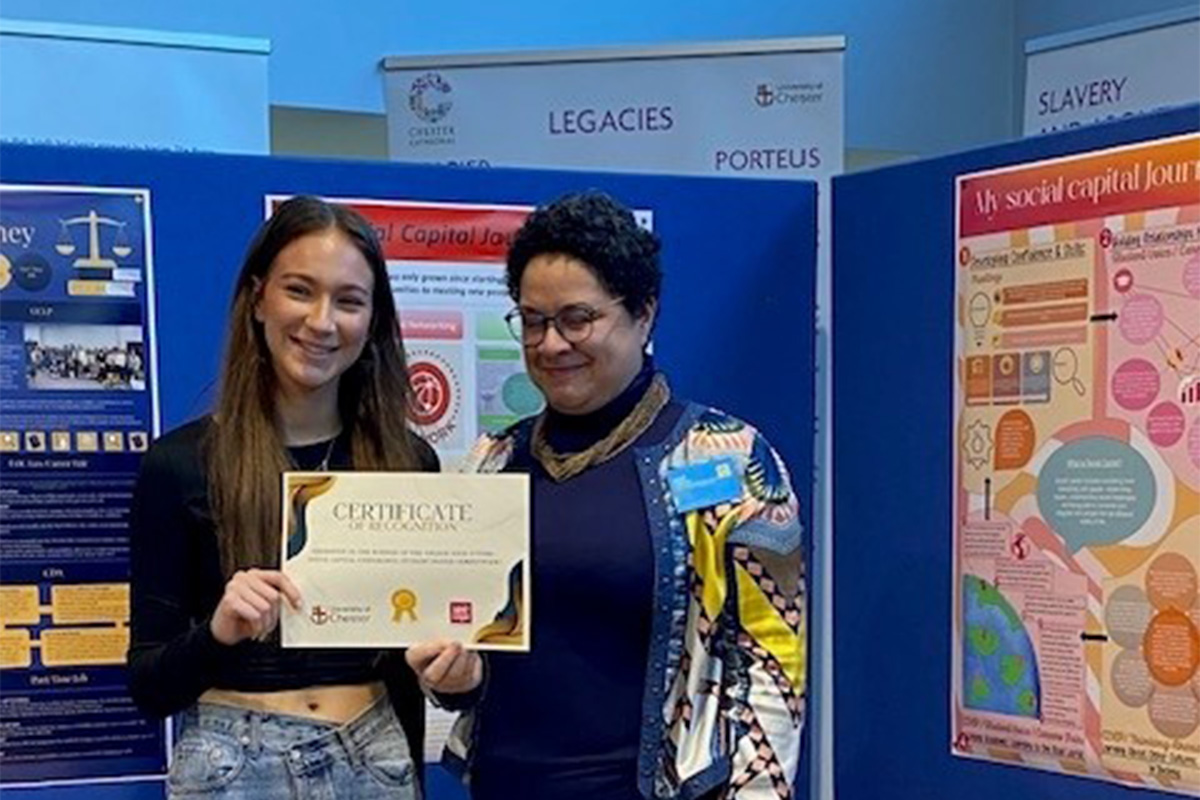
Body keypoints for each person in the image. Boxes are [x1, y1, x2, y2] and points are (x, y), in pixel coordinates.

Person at [414, 191, 806, 799]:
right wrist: (455, 679)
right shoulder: (489, 464)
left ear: (644, 314)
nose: (550, 344)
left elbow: (772, 664)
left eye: (577, 319)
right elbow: (472, 667)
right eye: (533, 320)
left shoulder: (731, 460)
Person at [127, 196, 480, 799]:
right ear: (258, 298)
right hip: (231, 768)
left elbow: (432, 669)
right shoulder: (179, 464)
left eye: (348, 301)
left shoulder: (407, 463)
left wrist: (459, 679)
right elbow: (150, 687)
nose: (322, 322)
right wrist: (218, 632)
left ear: (372, 321)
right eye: (299, 290)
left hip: (374, 757)